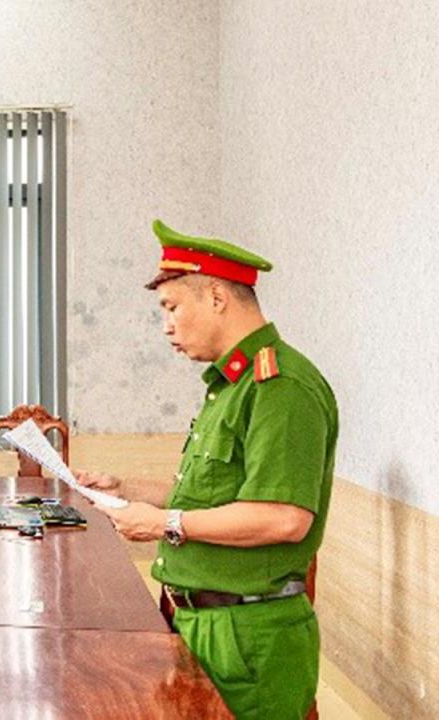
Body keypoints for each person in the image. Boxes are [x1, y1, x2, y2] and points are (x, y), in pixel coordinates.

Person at [76, 220, 338, 720]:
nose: (166, 326)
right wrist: (126, 488)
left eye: (172, 307)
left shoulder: (280, 387)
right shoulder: (231, 386)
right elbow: (212, 497)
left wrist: (164, 524)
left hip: (248, 636)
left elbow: (284, 518)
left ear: (217, 297)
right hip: (202, 622)